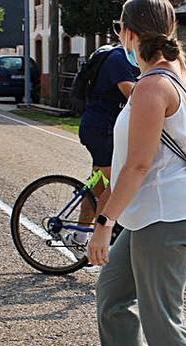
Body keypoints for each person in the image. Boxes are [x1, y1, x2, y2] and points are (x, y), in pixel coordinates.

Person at [86, 0, 186, 346]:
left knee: (161, 315)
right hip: (151, 214)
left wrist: (103, 222)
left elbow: (138, 165)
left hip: (166, 216)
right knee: (112, 293)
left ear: (128, 34)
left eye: (121, 28)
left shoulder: (153, 86)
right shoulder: (173, 73)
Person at [67, 42, 140, 255]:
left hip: (107, 129)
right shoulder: (118, 59)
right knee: (117, 184)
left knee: (98, 186)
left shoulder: (132, 60)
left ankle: (79, 236)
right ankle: (102, 238)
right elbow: (135, 96)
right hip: (100, 130)